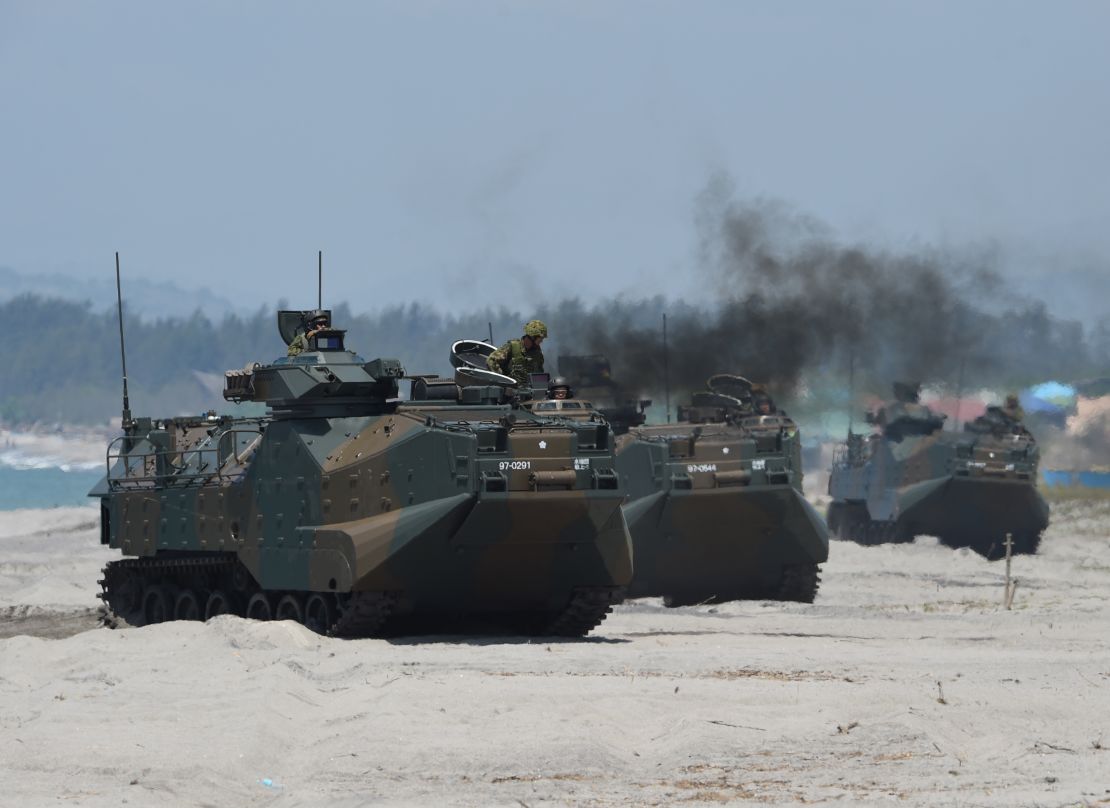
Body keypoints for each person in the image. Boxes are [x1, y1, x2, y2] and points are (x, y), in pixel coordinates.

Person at [487, 319, 547, 385]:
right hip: (510, 391)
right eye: (540, 338)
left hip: (530, 392)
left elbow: (539, 374)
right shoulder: (512, 347)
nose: (541, 341)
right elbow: (491, 360)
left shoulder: (538, 354)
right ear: (533, 337)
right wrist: (503, 380)